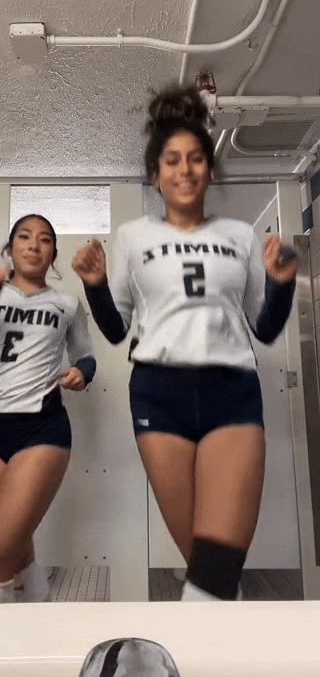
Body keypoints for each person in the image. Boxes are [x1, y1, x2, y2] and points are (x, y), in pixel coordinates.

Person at [72, 84, 299, 602]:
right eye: (172, 160)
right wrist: (96, 286)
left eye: (196, 158)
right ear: (156, 174)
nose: (185, 169)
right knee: (206, 568)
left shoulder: (240, 235)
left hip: (232, 395)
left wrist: (282, 285)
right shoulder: (132, 237)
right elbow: (116, 331)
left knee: (216, 568)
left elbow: (264, 329)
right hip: (159, 396)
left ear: (210, 170)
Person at [0, 214, 96, 604]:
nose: (34, 245)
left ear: (53, 254)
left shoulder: (66, 304)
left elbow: (87, 355)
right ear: (10, 248)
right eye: (24, 237)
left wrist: (82, 372)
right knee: (15, 553)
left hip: (43, 428)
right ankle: (38, 620)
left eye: (44, 239)